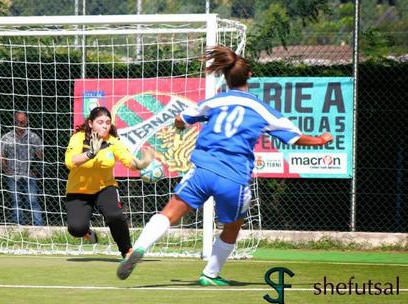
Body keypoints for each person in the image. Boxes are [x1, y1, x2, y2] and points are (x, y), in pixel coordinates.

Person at [117, 46, 333, 285]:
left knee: (169, 213)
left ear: (225, 76)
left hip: (202, 170)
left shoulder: (216, 100)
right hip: (234, 177)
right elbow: (294, 137)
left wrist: (180, 126)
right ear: (249, 75)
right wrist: (320, 140)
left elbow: (182, 119)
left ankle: (140, 247)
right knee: (232, 226)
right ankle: (210, 274)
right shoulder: (261, 108)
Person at [65, 106, 154, 258]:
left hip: (105, 187)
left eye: (107, 122)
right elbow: (70, 162)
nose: (105, 125)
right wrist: (91, 153)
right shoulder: (78, 138)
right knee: (76, 229)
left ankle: (127, 251)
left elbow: (127, 159)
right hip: (78, 190)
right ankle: (86, 232)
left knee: (115, 215)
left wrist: (141, 164)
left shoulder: (112, 141)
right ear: (91, 123)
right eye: (100, 122)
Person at [0, 111, 44, 226]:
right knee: (16, 201)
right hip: (12, 174)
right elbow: (2, 154)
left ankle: (39, 226)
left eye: (22, 121)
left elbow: (40, 155)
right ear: (14, 121)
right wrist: (4, 168)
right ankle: (19, 225)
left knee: (33, 201)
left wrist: (37, 169)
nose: (20, 123)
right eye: (18, 121)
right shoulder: (6, 137)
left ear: (27, 121)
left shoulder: (33, 137)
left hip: (29, 174)